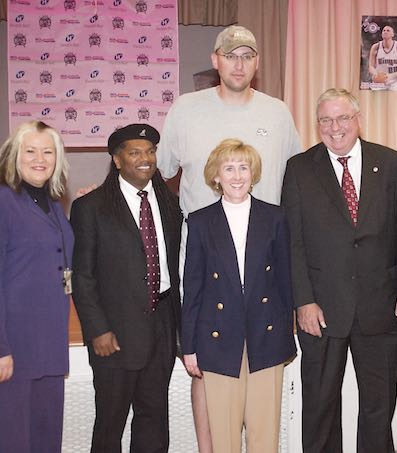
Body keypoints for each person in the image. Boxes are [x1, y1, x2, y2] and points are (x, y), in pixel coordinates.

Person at [158, 24, 301, 451]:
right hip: (205, 258)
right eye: (230, 55)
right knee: (208, 371)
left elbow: (297, 178)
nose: (239, 63)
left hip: (265, 264)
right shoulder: (185, 108)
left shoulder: (277, 112)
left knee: (261, 402)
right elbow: (158, 173)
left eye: (247, 56)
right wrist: (109, 190)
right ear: (216, 60)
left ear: (257, 63)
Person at [281, 88, 397, 453]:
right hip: (321, 311)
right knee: (320, 408)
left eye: (342, 118)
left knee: (378, 408)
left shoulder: (391, 163)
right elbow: (293, 241)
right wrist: (303, 301)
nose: (335, 127)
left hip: (380, 307)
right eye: (325, 120)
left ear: (357, 119)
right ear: (317, 124)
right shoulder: (299, 168)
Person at [71, 124, 182, 453]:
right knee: (110, 422)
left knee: (153, 418)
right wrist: (98, 330)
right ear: (117, 160)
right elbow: (83, 276)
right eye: (135, 153)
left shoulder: (170, 204)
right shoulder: (90, 207)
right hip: (114, 334)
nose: (145, 159)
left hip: (161, 325)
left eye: (150, 152)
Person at [182, 139, 296, 453]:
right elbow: (192, 288)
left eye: (243, 167)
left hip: (267, 337)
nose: (236, 175)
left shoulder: (275, 217)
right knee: (224, 438)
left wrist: (287, 335)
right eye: (229, 168)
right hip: (217, 339)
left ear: (253, 172)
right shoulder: (200, 221)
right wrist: (189, 346)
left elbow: (286, 283)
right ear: (215, 176)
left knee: (264, 435)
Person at [0, 120, 74, 453]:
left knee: (46, 438)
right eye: (30, 151)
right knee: (14, 439)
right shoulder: (4, 202)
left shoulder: (53, 205)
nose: (39, 158)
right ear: (15, 155)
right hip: (14, 346)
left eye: (48, 151)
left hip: (50, 344)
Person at [368, 25, 397, 91]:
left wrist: (390, 76)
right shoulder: (375, 47)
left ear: (392, 34)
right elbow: (371, 66)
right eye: (383, 30)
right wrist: (376, 74)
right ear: (381, 34)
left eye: (388, 30)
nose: (385, 32)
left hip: (395, 80)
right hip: (380, 80)